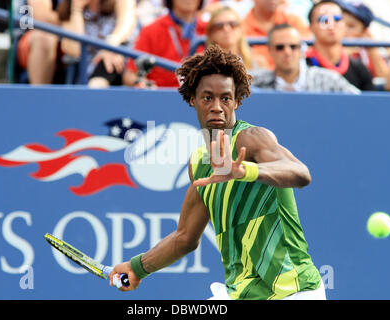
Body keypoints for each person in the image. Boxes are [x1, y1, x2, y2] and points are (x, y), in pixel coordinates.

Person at [109, 44, 325, 300]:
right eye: (207, 97)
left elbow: (300, 173)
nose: (217, 107)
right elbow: (185, 237)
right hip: (242, 293)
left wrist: (246, 170)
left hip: (292, 291)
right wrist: (137, 268)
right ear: (193, 99)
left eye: (225, 98)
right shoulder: (199, 162)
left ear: (236, 101)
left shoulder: (252, 139)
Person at [252, 23, 360, 93]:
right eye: (280, 47)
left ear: (301, 50)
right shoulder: (255, 83)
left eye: (293, 46)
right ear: (270, 51)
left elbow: (360, 102)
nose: (287, 52)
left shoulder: (328, 80)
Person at [122, 0, 207, 88]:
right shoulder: (151, 30)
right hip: (161, 96)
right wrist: (144, 84)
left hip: (202, 97)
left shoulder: (213, 29)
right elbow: (130, 75)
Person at [60, 0, 137, 88]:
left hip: (116, 58)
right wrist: (76, 10)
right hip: (85, 69)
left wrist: (109, 46)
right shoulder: (68, 8)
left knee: (110, 59)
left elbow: (126, 26)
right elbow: (74, 50)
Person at [305, 0, 375, 91]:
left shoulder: (358, 67)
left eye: (337, 19)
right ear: (311, 27)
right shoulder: (303, 65)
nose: (331, 25)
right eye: (324, 20)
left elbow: (370, 102)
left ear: (344, 25)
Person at [242, 0, 311, 70]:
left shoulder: (294, 22)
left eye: (292, 46)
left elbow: (309, 52)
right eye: (280, 47)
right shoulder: (239, 28)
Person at [205, 6, 267, 71]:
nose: (227, 29)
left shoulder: (258, 62)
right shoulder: (203, 65)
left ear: (241, 29)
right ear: (211, 32)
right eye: (219, 26)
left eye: (232, 24)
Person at [339, 1, 389, 81]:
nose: (343, 29)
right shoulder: (328, 44)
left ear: (364, 31)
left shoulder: (367, 50)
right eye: (340, 22)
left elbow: (383, 77)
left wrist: (373, 51)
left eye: (351, 26)